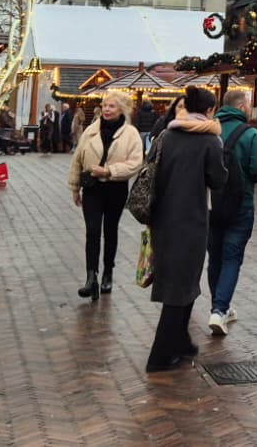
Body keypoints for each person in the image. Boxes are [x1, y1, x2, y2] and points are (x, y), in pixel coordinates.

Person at [145, 87, 227, 373]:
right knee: (181, 287)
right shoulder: (209, 141)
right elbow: (218, 179)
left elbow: (149, 167)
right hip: (191, 221)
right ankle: (160, 355)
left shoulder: (166, 136)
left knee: (179, 282)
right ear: (209, 111)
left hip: (162, 219)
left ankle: (180, 343)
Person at [67, 91, 145, 300]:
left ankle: (108, 271)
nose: (107, 110)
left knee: (110, 231)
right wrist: (75, 187)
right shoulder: (91, 131)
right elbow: (77, 159)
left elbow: (135, 163)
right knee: (92, 231)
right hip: (92, 187)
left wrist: (110, 171)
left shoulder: (131, 134)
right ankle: (91, 276)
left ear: (121, 109)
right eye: (105, 106)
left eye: (112, 106)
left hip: (115, 188)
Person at [206, 89, 257, 337]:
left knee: (215, 257)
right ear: (242, 106)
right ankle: (220, 310)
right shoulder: (251, 133)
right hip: (241, 203)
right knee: (232, 257)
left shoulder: (210, 130)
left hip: (211, 203)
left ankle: (218, 307)